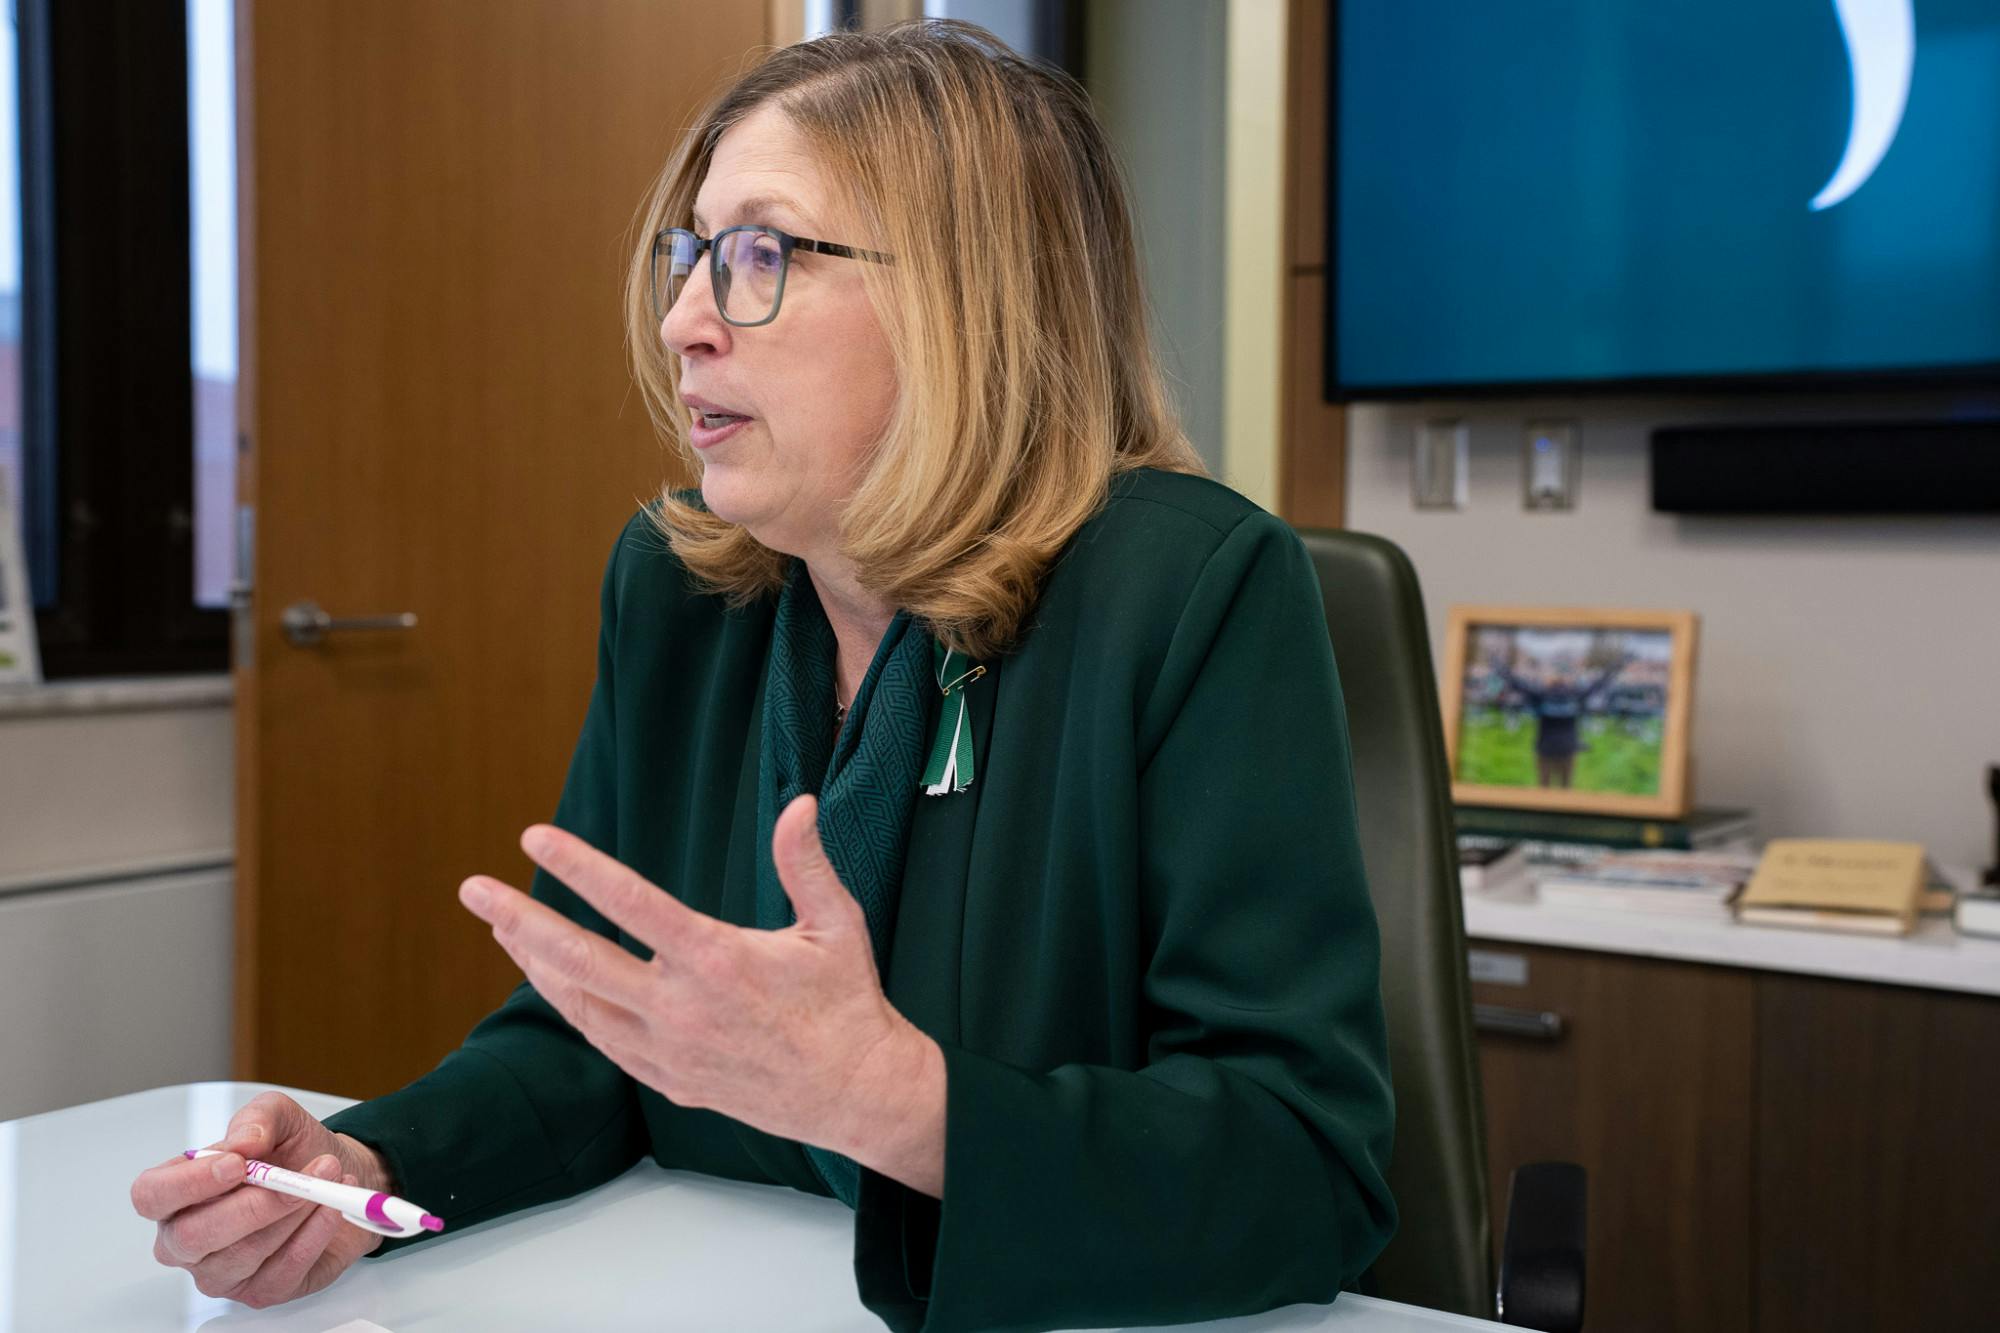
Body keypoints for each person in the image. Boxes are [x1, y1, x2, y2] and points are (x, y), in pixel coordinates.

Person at [129, 21, 1395, 1331]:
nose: (683, 322)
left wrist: (895, 1100)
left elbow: (1303, 1168)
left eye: (759, 259)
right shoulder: (679, 587)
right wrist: (367, 1168)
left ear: (965, 296)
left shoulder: (1190, 592)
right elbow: (604, 1043)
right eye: (692, 258)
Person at [1491, 645, 1632, 789]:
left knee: (1544, 786)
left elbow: (1515, 682)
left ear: (1550, 680)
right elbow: (1600, 683)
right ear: (1566, 681)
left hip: (1545, 748)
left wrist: (1495, 662)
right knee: (1565, 787)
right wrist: (1619, 664)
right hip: (1567, 748)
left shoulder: (1540, 694)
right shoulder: (1576, 694)